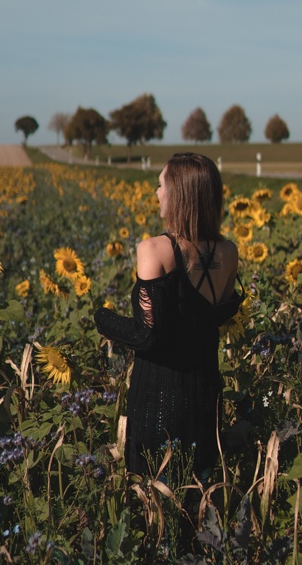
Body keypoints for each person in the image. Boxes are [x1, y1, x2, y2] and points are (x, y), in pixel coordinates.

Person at [94, 152, 244, 476]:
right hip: (207, 394)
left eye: (161, 185)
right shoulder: (229, 251)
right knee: (199, 492)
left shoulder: (154, 250)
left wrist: (101, 318)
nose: (156, 193)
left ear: (178, 194)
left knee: (154, 499)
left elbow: (146, 335)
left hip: (159, 398)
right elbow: (214, 316)